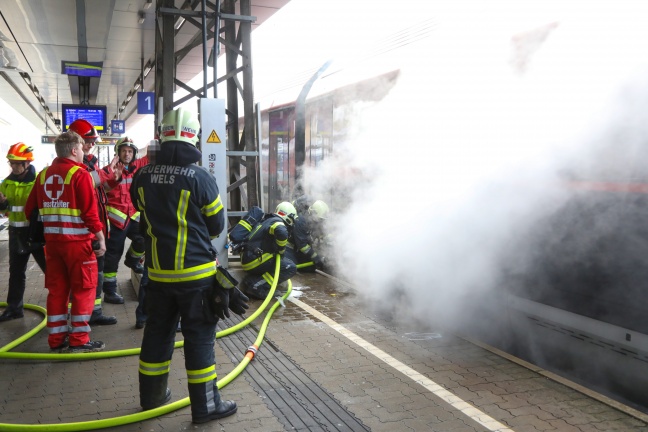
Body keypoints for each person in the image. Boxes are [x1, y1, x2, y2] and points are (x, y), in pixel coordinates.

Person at [131, 107, 247, 423]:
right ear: (193, 137)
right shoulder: (201, 178)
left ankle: (152, 397)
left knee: (157, 334)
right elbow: (215, 226)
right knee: (199, 339)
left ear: (162, 135)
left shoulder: (141, 177)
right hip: (196, 277)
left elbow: (139, 214)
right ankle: (206, 407)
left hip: (156, 276)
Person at [25, 131, 106, 353]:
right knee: (83, 290)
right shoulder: (80, 176)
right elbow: (90, 214)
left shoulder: (42, 176)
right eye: (81, 148)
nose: (83, 152)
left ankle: (56, 339)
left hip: (52, 246)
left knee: (57, 291)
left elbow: (29, 211)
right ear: (73, 150)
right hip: (78, 245)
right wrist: (100, 239)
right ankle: (79, 339)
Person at [68, 118, 118, 324]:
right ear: (75, 143)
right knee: (87, 277)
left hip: (95, 229)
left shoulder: (89, 164)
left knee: (95, 274)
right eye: (87, 141)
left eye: (92, 141)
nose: (91, 145)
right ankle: (83, 316)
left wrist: (113, 179)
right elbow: (87, 185)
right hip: (85, 232)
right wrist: (106, 172)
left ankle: (94, 312)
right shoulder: (75, 167)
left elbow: (99, 192)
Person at [0, 143, 47, 322]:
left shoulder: (38, 182)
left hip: (36, 234)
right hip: (16, 233)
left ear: (27, 163)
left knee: (51, 271)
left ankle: (66, 304)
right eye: (11, 163)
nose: (13, 166)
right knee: (16, 272)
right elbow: (4, 209)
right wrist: (2, 204)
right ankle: (14, 309)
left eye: (17, 163)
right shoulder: (6, 183)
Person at [100, 136, 148, 305]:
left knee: (144, 239)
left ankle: (133, 260)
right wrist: (115, 178)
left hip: (134, 216)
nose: (127, 154)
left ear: (134, 154)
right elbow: (103, 188)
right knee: (113, 256)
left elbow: (151, 154)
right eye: (123, 151)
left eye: (130, 151)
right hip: (116, 220)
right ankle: (110, 291)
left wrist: (160, 136)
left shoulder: (138, 168)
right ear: (118, 153)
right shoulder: (108, 170)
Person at [239, 201, 297, 299]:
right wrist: (281, 250)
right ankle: (256, 286)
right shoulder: (278, 222)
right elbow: (282, 232)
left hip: (250, 257)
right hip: (254, 260)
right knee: (289, 267)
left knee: (283, 262)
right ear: (289, 217)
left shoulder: (268, 220)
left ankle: (253, 280)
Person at [287, 198, 330, 272]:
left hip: (299, 247)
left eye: (322, 220)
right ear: (313, 214)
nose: (321, 222)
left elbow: (322, 233)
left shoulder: (314, 220)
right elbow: (302, 245)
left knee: (311, 268)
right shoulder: (301, 222)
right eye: (320, 219)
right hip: (289, 247)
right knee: (293, 268)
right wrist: (316, 256)